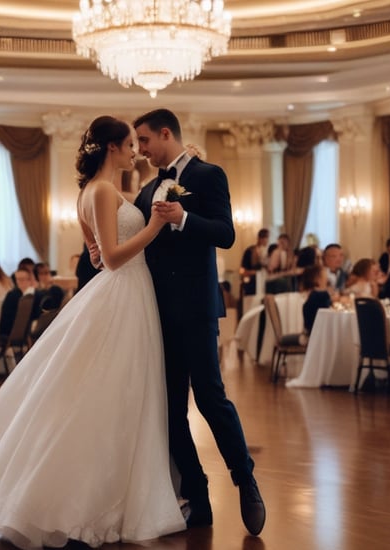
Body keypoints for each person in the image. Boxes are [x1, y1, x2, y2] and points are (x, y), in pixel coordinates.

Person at [0, 115, 184, 548]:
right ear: (110, 148)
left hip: (122, 293)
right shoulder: (103, 191)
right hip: (123, 293)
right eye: (128, 145)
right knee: (109, 395)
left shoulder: (90, 192)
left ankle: (110, 492)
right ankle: (86, 498)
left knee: (114, 394)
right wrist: (154, 227)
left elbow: (98, 256)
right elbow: (115, 257)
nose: (134, 152)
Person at [132, 108, 265, 536]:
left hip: (198, 306)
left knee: (210, 397)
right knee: (170, 411)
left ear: (165, 133)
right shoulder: (147, 189)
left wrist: (183, 218)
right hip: (159, 314)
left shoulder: (209, 175)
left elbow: (226, 233)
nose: (141, 151)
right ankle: (198, 495)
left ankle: (245, 479)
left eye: (145, 141)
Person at [239, 228, 270, 297]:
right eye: (264, 238)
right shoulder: (250, 251)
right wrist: (256, 272)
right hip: (252, 280)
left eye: (267, 238)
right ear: (259, 238)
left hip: (264, 279)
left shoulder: (269, 252)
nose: (266, 240)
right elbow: (243, 270)